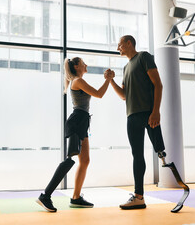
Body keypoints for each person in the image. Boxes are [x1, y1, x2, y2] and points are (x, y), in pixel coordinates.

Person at [36, 57, 114, 212]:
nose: (86, 65)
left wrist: (108, 80)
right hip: (77, 121)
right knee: (70, 159)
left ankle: (76, 198)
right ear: (77, 66)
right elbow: (99, 94)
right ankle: (45, 196)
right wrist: (109, 80)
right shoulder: (78, 80)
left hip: (82, 121)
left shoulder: (78, 80)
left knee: (84, 161)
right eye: (83, 63)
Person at [109, 35, 166, 210]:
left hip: (148, 113)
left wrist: (156, 111)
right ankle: (139, 196)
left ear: (128, 43)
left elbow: (158, 84)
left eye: (120, 44)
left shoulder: (143, 57)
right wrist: (111, 80)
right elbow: (124, 95)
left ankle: (172, 175)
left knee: (161, 151)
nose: (118, 47)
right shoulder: (125, 67)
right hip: (132, 115)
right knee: (137, 156)